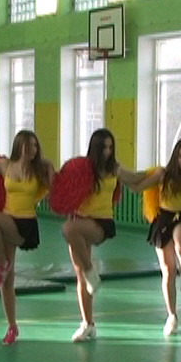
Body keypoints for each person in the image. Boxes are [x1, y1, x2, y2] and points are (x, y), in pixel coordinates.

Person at [0, 130, 55, 346]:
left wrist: (51, 167)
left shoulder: (38, 170)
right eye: (28, 145)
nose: (32, 150)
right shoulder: (5, 165)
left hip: (25, 225)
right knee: (7, 280)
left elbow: (55, 189)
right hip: (8, 220)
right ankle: (12, 326)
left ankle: (1, 264)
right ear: (18, 146)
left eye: (35, 146)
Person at [62, 128, 146, 343]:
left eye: (110, 147)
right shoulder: (83, 168)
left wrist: (157, 173)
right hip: (80, 219)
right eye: (104, 148)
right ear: (96, 148)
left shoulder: (114, 169)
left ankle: (91, 271)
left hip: (100, 223)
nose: (108, 152)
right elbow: (64, 183)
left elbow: (135, 179)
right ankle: (88, 324)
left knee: (68, 229)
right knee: (80, 275)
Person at [129, 138, 181, 337]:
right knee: (167, 271)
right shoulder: (163, 174)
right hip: (163, 219)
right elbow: (137, 186)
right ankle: (172, 315)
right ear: (175, 156)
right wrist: (120, 177)